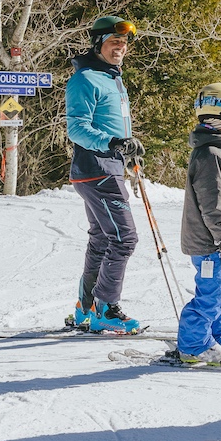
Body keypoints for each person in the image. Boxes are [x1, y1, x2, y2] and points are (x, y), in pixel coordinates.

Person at [166, 82, 221, 367]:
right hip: (211, 244)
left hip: (218, 244)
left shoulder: (216, 152)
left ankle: (218, 335)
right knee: (210, 297)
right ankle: (193, 345)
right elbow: (212, 207)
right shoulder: (211, 156)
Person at [65, 16, 143, 334]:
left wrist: (129, 151)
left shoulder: (113, 79)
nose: (121, 48)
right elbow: (78, 128)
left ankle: (85, 308)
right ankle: (105, 310)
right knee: (125, 239)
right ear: (98, 44)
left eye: (124, 44)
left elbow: (117, 126)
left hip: (108, 166)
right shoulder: (85, 79)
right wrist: (113, 144)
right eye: (114, 42)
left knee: (101, 239)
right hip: (97, 168)